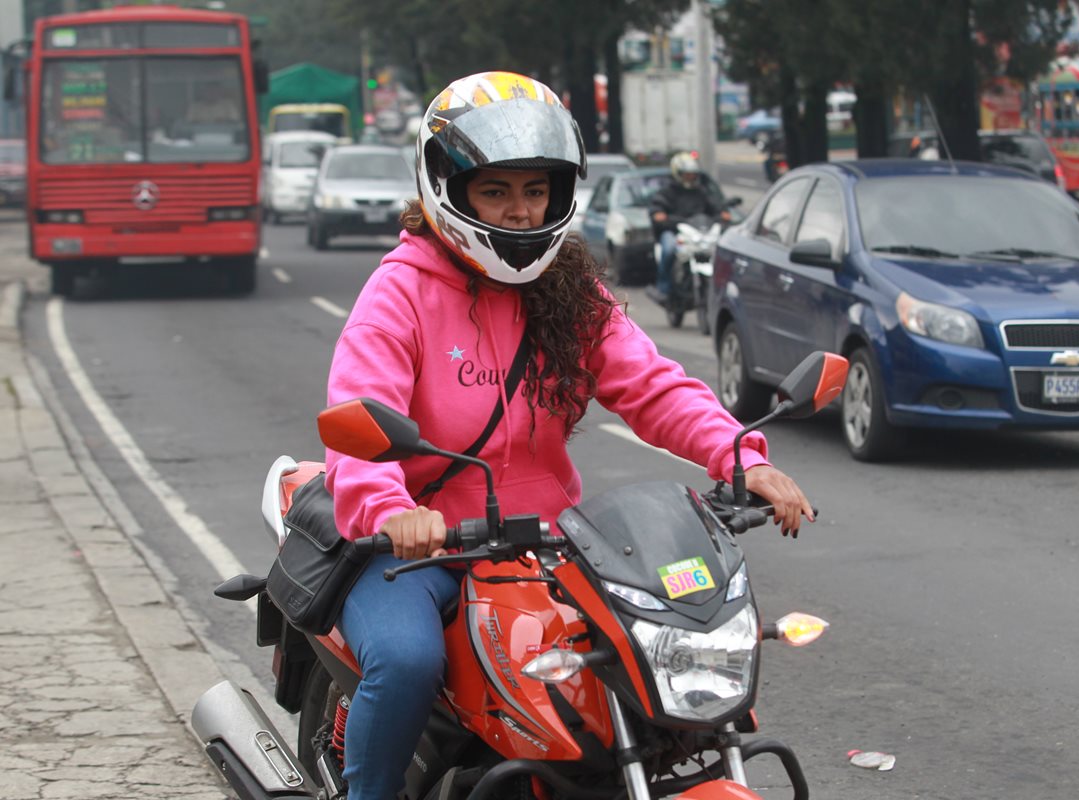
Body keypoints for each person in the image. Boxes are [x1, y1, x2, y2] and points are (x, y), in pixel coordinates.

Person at [324, 70, 817, 800]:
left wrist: (739, 455)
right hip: (418, 549)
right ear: (447, 189)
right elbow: (358, 419)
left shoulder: (568, 291)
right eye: (496, 192)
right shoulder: (400, 293)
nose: (521, 213)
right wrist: (393, 513)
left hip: (546, 548)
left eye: (536, 191)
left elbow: (652, 385)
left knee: (644, 657)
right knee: (405, 659)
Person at [646, 151, 731, 304]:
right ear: (677, 173)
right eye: (686, 174)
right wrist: (659, 214)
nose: (690, 177)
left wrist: (722, 214)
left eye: (692, 174)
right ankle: (663, 289)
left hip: (698, 233)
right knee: (669, 249)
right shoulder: (667, 192)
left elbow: (715, 207)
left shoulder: (701, 192)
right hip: (675, 232)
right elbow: (657, 207)